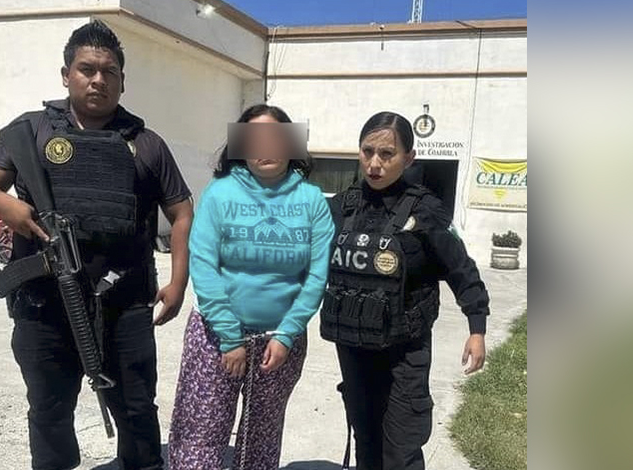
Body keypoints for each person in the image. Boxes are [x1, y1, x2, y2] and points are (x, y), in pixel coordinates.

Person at [0, 20, 193, 470]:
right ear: (66, 74)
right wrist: (10, 209)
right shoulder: (32, 131)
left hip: (125, 302)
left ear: (122, 81)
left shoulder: (146, 144)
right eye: (87, 69)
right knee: (49, 409)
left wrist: (178, 280)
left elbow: (181, 211)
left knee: (135, 407)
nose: (98, 79)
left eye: (109, 72)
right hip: (44, 303)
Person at [168, 104, 334, 470]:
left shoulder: (312, 202)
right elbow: (204, 266)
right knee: (200, 435)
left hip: (281, 342)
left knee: (261, 438)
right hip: (214, 336)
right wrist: (230, 337)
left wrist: (286, 335)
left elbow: (316, 276)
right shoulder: (219, 194)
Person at [321, 111, 490, 470]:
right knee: (366, 439)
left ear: (409, 158)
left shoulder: (427, 212)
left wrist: (477, 327)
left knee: (401, 448)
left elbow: (460, 268)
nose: (375, 164)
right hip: (353, 346)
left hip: (404, 350)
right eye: (368, 152)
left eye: (387, 154)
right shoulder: (341, 207)